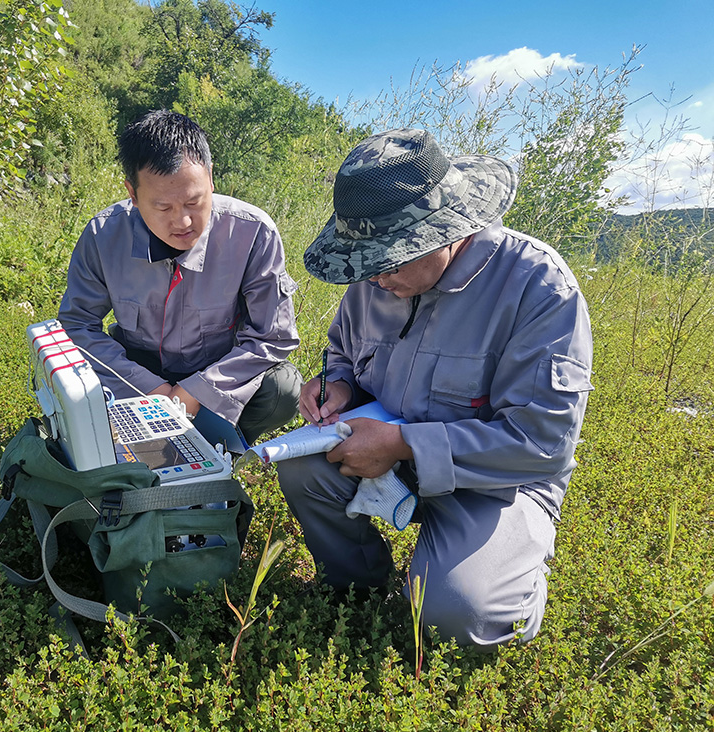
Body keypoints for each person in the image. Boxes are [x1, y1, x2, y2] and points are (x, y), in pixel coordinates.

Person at [277, 129, 593, 649]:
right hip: (388, 449)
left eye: (391, 260)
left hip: (496, 482)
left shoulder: (536, 285)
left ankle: (508, 571)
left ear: (444, 232)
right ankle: (359, 585)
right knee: (301, 465)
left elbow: (540, 443)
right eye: (368, 263)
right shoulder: (375, 275)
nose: (375, 280)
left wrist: (402, 446)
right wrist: (336, 385)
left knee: (460, 614)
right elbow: (344, 353)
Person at [58, 110, 301, 445]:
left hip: (216, 368)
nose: (183, 222)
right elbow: (77, 324)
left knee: (283, 390)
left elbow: (273, 337)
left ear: (211, 178)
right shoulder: (104, 235)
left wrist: (198, 390)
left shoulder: (253, 232)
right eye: (163, 208)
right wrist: (148, 387)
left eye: (193, 201)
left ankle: (223, 445)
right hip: (135, 366)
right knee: (74, 386)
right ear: (133, 192)